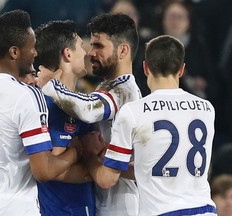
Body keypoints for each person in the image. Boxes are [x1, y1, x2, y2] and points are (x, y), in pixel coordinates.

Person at [0, 10, 81, 216]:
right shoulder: (25, 96)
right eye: (32, 47)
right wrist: (76, 152)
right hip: (13, 209)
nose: (35, 53)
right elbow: (43, 171)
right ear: (14, 52)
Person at [82, 35, 217, 215]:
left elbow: (107, 179)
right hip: (205, 210)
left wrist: (91, 156)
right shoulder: (206, 109)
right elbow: (160, 168)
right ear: (182, 69)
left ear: (145, 68)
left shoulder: (133, 112)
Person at [38, 13, 141, 216]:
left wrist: (51, 85)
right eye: (91, 45)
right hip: (102, 202)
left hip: (120, 206)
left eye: (98, 46)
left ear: (123, 50)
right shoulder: (107, 89)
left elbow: (88, 110)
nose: (90, 52)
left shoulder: (123, 90)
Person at [34, 20, 97, 216]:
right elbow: (54, 169)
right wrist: (90, 167)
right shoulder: (55, 107)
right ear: (67, 54)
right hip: (65, 210)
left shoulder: (75, 103)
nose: (86, 52)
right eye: (80, 46)